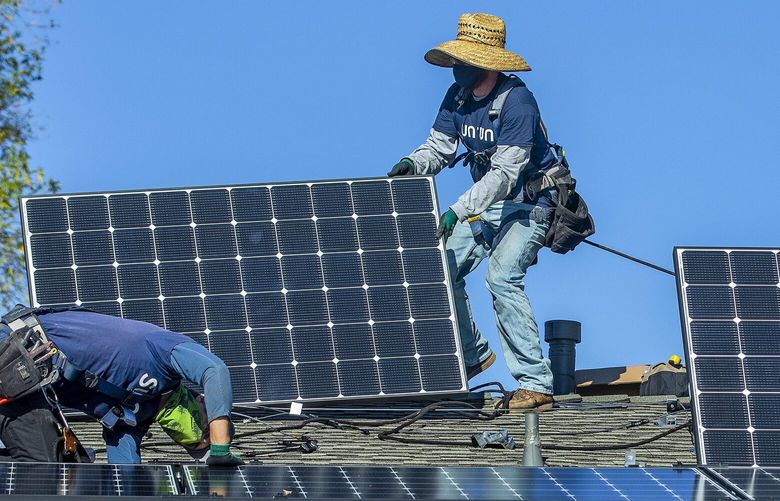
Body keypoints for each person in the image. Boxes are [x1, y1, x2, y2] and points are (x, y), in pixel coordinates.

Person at [388, 13, 557, 409]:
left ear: (486, 64)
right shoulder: (458, 99)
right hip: (490, 206)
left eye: (465, 61)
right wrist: (413, 164)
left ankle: (536, 384)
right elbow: (439, 147)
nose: (458, 68)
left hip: (530, 205)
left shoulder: (517, 102)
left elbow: (504, 175)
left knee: (502, 277)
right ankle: (471, 354)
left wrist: (457, 210)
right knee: (441, 266)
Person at [0, 306, 243, 465]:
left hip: (22, 387)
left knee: (73, 475)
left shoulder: (133, 415)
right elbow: (214, 369)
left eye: (193, 443)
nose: (193, 437)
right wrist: (220, 449)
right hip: (14, 352)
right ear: (202, 400)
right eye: (204, 433)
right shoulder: (162, 354)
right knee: (49, 474)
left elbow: (123, 475)